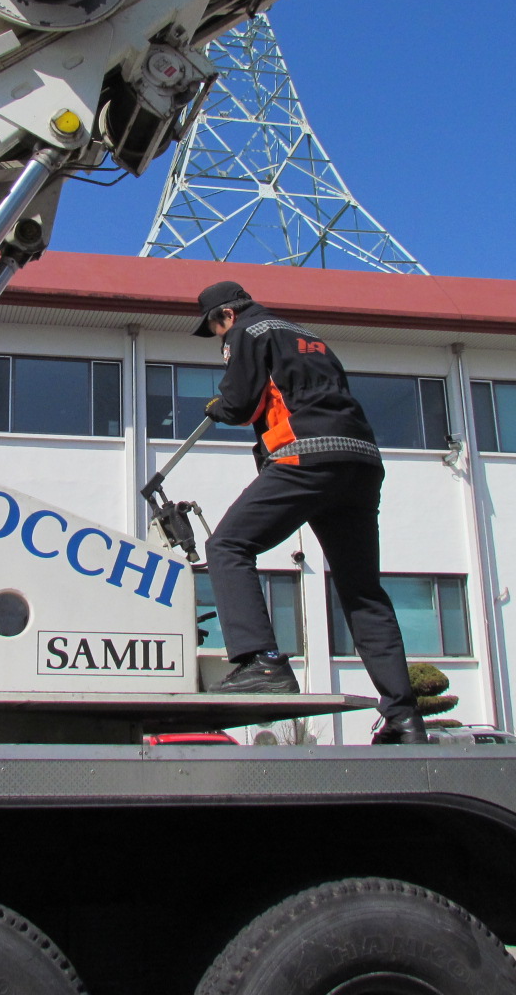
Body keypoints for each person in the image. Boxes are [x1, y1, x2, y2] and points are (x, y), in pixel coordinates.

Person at [192, 280, 426, 744]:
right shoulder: (309, 337)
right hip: (360, 463)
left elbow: (239, 403)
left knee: (227, 546)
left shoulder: (247, 332)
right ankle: (404, 718)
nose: (218, 337)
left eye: (215, 329)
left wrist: (217, 406)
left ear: (227, 315)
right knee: (362, 592)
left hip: (307, 455)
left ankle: (261, 663)